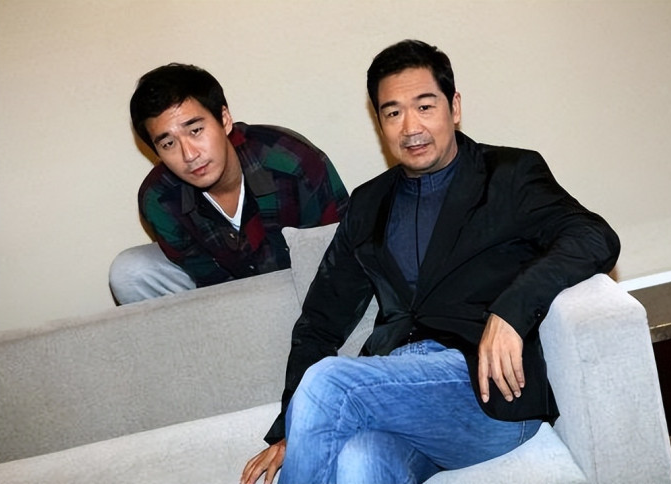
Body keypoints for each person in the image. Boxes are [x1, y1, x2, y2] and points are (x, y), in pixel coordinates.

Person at [241, 40, 620, 484]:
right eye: (393, 113)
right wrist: (292, 429)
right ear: (380, 122)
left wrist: (512, 309)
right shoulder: (368, 203)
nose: (410, 127)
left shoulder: (509, 174)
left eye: (424, 106)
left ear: (454, 107)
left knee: (328, 382)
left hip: (482, 389)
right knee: (360, 462)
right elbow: (320, 322)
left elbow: (594, 236)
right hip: (403, 398)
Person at [109, 64, 349, 304]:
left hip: (306, 285)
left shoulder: (291, 162)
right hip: (225, 293)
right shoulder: (159, 198)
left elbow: (341, 250)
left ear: (224, 120)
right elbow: (207, 280)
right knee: (130, 271)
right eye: (168, 144)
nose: (189, 155)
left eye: (195, 130)